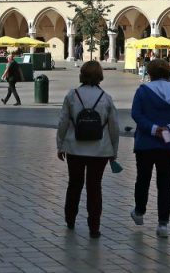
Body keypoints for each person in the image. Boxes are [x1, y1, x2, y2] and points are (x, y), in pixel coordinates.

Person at [130, 58, 170, 238]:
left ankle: (139, 212)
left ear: (149, 73)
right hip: (168, 144)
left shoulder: (142, 91)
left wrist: (152, 128)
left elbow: (136, 114)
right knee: (165, 183)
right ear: (168, 73)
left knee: (143, 178)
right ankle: (163, 223)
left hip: (146, 144)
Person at [56, 61, 120, 238]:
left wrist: (60, 145)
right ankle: (94, 227)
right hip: (100, 151)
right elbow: (114, 126)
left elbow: (63, 122)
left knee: (74, 185)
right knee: (95, 187)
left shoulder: (72, 95)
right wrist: (114, 151)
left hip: (74, 148)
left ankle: (70, 219)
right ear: (100, 76)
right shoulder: (106, 98)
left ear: (82, 75)